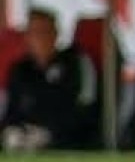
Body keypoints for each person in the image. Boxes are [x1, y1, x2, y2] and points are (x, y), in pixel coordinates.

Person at [1, 8, 99, 152]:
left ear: (56, 33)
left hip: (70, 142)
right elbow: (11, 111)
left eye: (44, 31)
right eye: (34, 32)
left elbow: (87, 109)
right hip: (25, 139)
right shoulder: (20, 70)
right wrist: (13, 131)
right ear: (27, 37)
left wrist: (50, 133)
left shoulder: (76, 63)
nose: (40, 38)